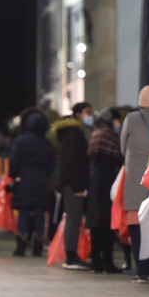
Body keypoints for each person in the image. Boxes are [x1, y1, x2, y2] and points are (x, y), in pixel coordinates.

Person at [122, 86, 149, 282]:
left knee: (136, 225)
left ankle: (141, 271)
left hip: (135, 181)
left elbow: (122, 147)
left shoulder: (131, 119)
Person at [52, 102, 94, 270]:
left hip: (68, 183)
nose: (90, 115)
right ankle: (70, 257)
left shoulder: (71, 133)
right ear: (77, 115)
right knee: (73, 219)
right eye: (87, 112)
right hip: (72, 184)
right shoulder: (75, 135)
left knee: (73, 219)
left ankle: (71, 254)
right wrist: (78, 186)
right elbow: (72, 163)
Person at [9, 110, 55, 257]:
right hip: (41, 179)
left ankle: (21, 245)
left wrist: (13, 175)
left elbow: (14, 161)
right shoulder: (46, 143)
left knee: (23, 212)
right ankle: (38, 244)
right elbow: (51, 164)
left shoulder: (20, 141)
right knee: (39, 212)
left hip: (24, 178)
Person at [85, 108, 124, 273]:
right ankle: (107, 261)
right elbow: (118, 155)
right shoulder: (109, 134)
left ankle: (96, 261)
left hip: (95, 181)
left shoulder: (95, 132)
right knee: (107, 222)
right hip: (108, 180)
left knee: (96, 221)